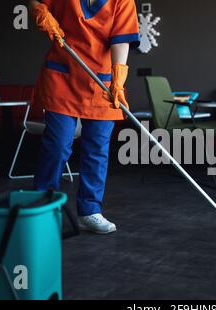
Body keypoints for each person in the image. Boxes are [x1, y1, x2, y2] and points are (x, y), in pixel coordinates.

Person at [29, 0, 139, 233]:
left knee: (96, 148)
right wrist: (39, 10)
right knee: (57, 145)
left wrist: (119, 78)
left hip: (101, 82)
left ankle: (90, 211)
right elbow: (37, 2)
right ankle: (41, 207)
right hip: (62, 76)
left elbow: (122, 39)